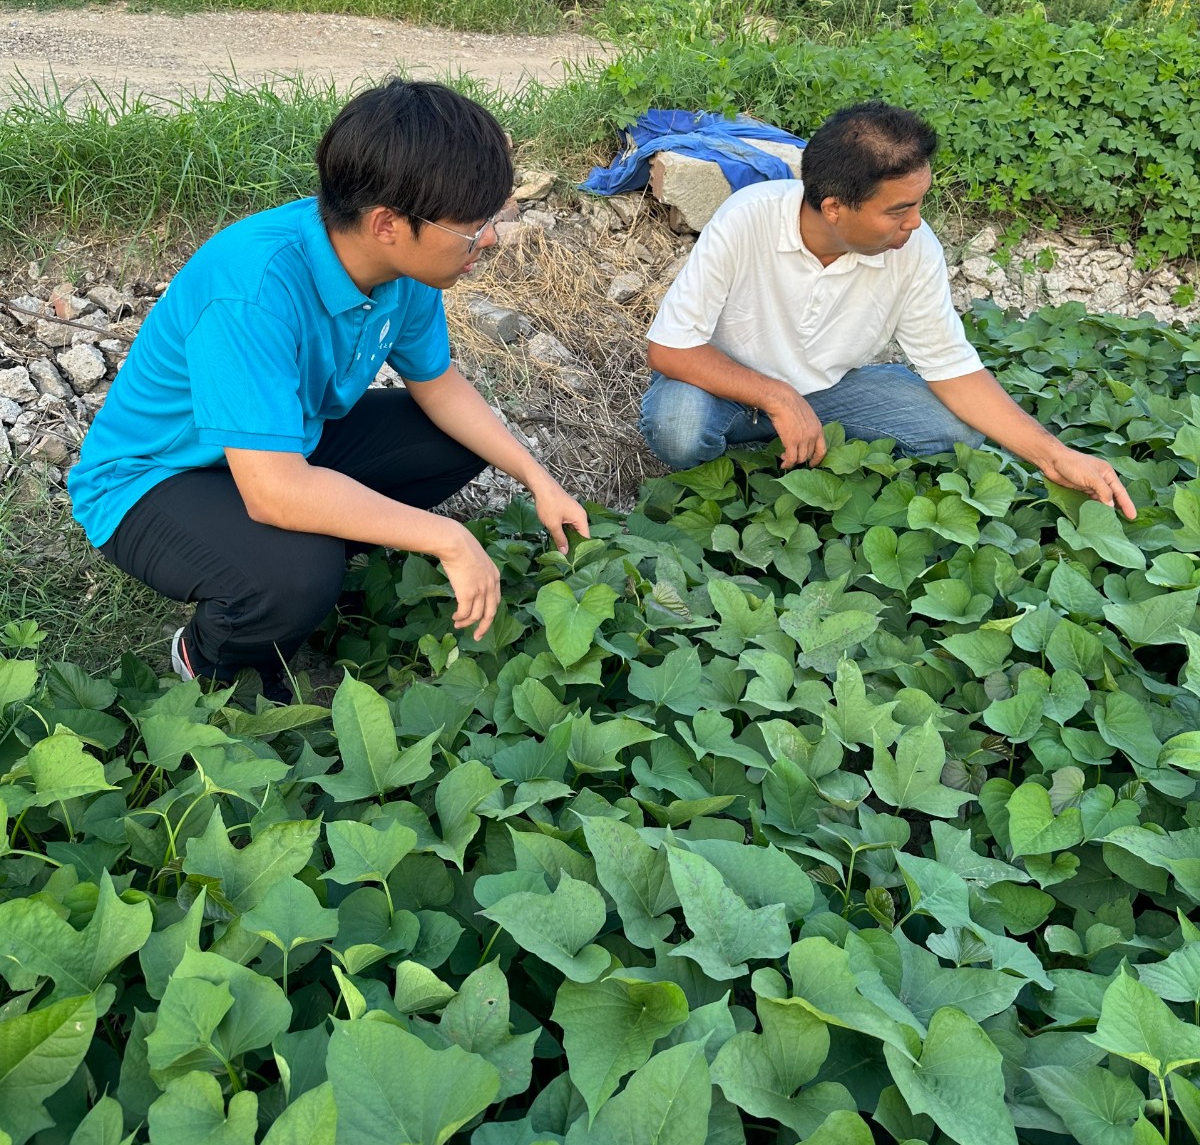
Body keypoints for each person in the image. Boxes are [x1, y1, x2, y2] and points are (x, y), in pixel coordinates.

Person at [68, 80, 588, 699]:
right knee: (294, 577)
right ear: (388, 223)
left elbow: (440, 386)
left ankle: (303, 545)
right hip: (156, 479)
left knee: (451, 441)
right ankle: (208, 657)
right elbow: (271, 491)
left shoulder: (404, 270)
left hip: (282, 442)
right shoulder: (253, 288)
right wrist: (448, 538)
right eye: (472, 228)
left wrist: (538, 477)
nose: (490, 241)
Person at [640, 100, 1134, 516]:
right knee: (678, 429)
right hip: (725, 388)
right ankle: (764, 448)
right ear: (834, 207)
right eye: (899, 210)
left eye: (920, 204)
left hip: (829, 393)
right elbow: (669, 349)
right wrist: (778, 398)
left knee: (953, 427)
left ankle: (794, 439)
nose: (916, 224)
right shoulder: (749, 219)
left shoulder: (914, 250)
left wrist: (1054, 455)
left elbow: (953, 369)